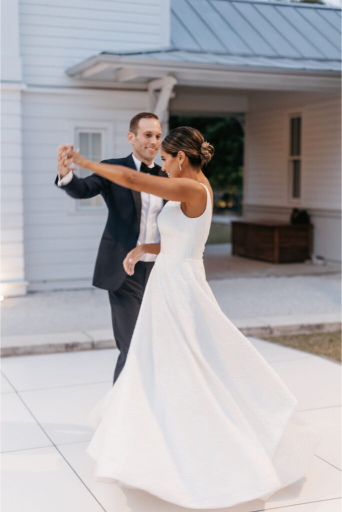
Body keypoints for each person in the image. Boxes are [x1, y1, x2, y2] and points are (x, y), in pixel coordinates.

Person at [59, 127, 321, 510]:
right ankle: (159, 443)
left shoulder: (193, 189)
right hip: (168, 281)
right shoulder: (192, 188)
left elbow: (133, 178)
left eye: (165, 159)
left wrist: (83, 162)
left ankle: (201, 453)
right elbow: (179, 238)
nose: (162, 166)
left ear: (181, 157)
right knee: (163, 364)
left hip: (180, 288)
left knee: (188, 367)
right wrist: (143, 248)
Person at [56, 113, 167, 383]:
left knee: (158, 346)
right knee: (131, 346)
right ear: (132, 137)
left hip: (162, 271)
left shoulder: (166, 176)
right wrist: (66, 174)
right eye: (148, 135)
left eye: (158, 136)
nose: (154, 141)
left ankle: (152, 408)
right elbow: (83, 189)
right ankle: (121, 413)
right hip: (124, 271)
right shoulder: (113, 168)